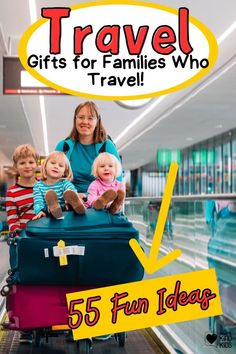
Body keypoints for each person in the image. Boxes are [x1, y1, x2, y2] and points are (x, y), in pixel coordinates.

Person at [5, 144, 39, 344]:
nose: (27, 166)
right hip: (22, 242)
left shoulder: (43, 187)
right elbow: (12, 217)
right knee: (21, 279)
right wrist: (19, 232)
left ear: (37, 164)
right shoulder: (13, 192)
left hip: (42, 240)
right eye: (22, 163)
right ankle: (25, 325)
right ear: (16, 167)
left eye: (31, 162)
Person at [55, 101, 122, 199]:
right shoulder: (63, 146)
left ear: (97, 121)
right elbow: (53, 178)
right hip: (68, 201)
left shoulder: (107, 146)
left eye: (90, 118)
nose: (85, 122)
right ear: (75, 119)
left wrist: (86, 196)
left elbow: (117, 180)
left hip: (100, 201)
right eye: (81, 117)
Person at [33, 151, 85, 220]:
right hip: (48, 212)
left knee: (71, 194)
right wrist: (40, 211)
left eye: (60, 165)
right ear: (45, 166)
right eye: (53, 163)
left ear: (64, 172)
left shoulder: (64, 183)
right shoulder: (38, 186)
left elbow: (71, 191)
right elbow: (38, 201)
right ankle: (54, 209)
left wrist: (73, 198)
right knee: (50, 207)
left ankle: (75, 206)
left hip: (66, 211)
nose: (56, 166)